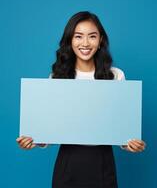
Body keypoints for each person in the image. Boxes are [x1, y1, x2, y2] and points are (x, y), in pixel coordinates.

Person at [16, 11, 146, 188]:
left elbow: (120, 127)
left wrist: (130, 143)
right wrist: (34, 139)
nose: (85, 43)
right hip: (68, 164)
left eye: (92, 36)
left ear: (100, 40)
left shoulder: (115, 75)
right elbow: (50, 127)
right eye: (78, 36)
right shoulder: (57, 77)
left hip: (102, 164)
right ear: (70, 40)